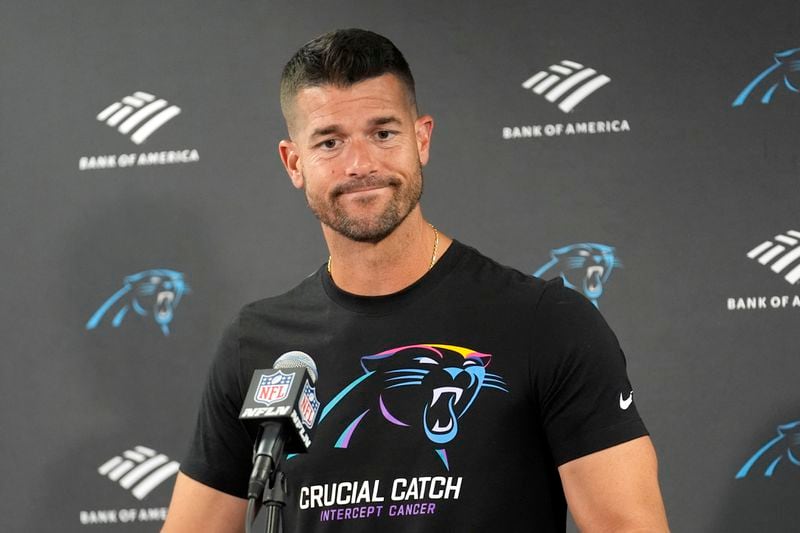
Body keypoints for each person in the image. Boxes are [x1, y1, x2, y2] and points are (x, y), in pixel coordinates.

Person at [162, 28, 669, 532]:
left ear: (421, 139)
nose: (361, 164)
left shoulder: (546, 322)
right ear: (295, 163)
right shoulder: (258, 344)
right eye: (330, 141)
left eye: (383, 133)